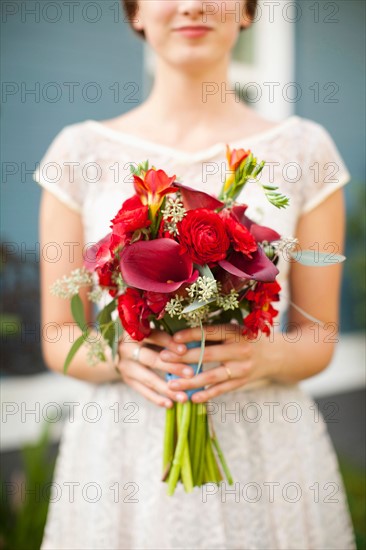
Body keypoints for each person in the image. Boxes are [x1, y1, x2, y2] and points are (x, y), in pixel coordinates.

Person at [34, 1, 356, 548]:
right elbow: (57, 336)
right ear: (135, 12)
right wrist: (120, 355)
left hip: (263, 443)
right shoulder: (77, 153)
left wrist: (263, 355)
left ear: (249, 12)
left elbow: (319, 335)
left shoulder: (308, 151)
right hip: (124, 455)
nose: (193, 5)